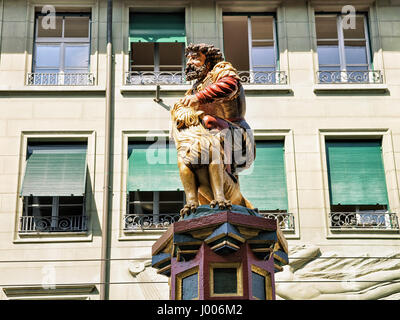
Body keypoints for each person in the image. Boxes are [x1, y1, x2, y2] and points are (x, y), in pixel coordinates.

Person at [179, 43, 255, 178]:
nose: (190, 63)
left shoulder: (221, 70)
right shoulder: (195, 87)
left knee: (209, 121)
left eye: (195, 58)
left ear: (208, 62)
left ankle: (226, 170)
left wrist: (198, 97)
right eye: (188, 59)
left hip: (237, 136)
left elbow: (229, 85)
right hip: (209, 139)